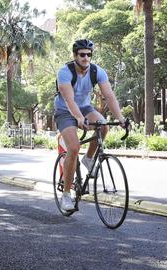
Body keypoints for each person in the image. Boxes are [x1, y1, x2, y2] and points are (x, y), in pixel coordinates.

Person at [54, 39, 126, 212]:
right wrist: (78, 118)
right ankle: (66, 196)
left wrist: (121, 118)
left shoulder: (97, 71)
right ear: (75, 56)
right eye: (82, 55)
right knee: (73, 148)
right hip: (65, 110)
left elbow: (109, 95)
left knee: (103, 125)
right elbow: (69, 99)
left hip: (85, 108)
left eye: (89, 54)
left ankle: (88, 159)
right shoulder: (65, 72)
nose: (86, 58)